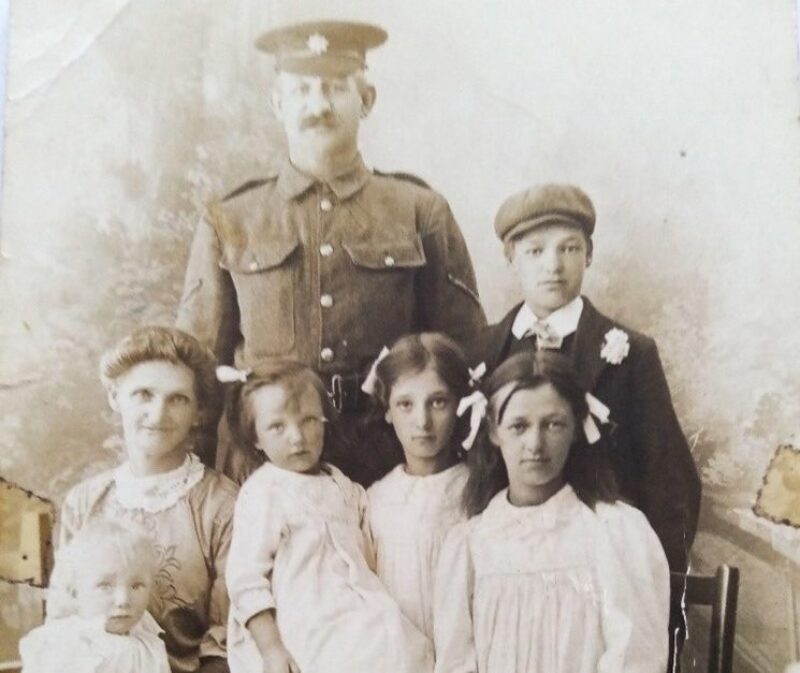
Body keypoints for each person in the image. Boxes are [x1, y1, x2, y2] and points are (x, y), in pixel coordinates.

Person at [176, 20, 486, 486]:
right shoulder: (231, 219)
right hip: (267, 468)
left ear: (366, 100)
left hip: (391, 463)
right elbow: (196, 371)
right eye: (301, 90)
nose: (317, 106)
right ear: (277, 103)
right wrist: (196, 486)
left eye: (335, 89)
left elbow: (465, 356)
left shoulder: (419, 210)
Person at [433, 351, 670, 673]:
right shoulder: (470, 545)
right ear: (492, 431)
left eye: (553, 424)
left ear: (575, 428)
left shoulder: (614, 531)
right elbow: (455, 663)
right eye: (518, 426)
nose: (535, 443)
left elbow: (635, 657)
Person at [223, 360, 433, 673]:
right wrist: (272, 650)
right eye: (277, 427)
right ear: (255, 437)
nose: (297, 437)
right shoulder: (264, 492)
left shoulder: (342, 485)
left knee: (409, 651)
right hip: (300, 616)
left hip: (355, 607)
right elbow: (245, 580)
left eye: (308, 420)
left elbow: (370, 548)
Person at [58, 326, 237, 673]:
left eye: (178, 399)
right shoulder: (84, 503)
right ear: (115, 397)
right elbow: (68, 619)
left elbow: (225, 640)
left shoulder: (223, 505)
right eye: (143, 394)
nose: (157, 415)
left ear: (199, 412)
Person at [364, 333, 471, 639]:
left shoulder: (477, 492)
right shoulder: (374, 501)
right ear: (387, 410)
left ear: (459, 404)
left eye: (438, 402)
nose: (422, 421)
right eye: (405, 404)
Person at [22, 520, 170, 673]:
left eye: (136, 586)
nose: (123, 600)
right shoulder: (68, 645)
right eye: (105, 586)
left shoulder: (149, 646)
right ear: (75, 591)